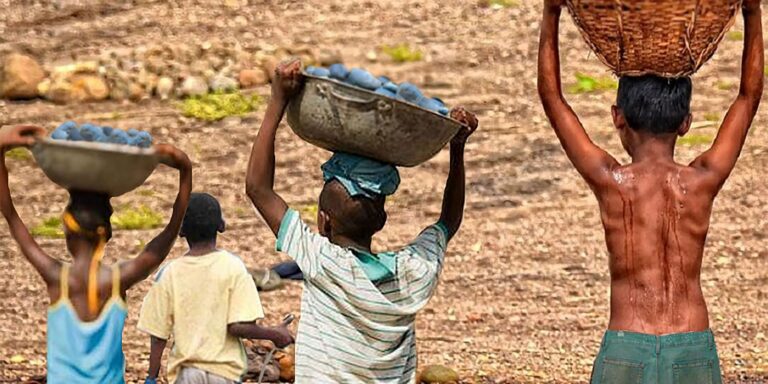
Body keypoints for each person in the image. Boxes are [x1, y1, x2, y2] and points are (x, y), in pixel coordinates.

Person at [537, 0, 763, 382]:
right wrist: (753, 14)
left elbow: (553, 99)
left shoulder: (611, 181)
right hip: (691, 341)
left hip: (628, 343)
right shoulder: (702, 180)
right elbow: (747, 97)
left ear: (617, 117)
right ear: (686, 123)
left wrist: (551, 14)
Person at [245, 59, 479, 383]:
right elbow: (448, 222)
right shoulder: (412, 273)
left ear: (324, 222)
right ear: (381, 219)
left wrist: (278, 100)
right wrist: (457, 148)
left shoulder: (322, 262)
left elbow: (258, 188)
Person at [0, 124, 192, 383]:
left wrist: (0, 148)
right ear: (107, 232)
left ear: (67, 227)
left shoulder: (57, 277)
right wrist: (185, 171)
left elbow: (11, 215)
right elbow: (168, 235)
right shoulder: (118, 280)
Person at [138, 192, 294, 384]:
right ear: (222, 226)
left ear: (180, 231)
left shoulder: (168, 274)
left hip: (186, 374)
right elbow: (238, 326)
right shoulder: (233, 267)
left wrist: (151, 377)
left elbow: (158, 336)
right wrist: (274, 333)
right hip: (224, 374)